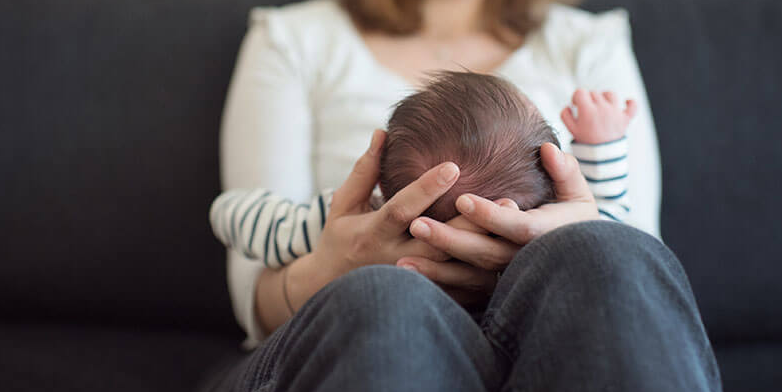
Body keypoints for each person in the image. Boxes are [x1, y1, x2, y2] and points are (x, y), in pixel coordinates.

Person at [194, 0, 722, 392]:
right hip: (342, 340)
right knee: (387, 297)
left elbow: (636, 272)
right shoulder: (293, 40)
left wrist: (561, 238)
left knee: (608, 254)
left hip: (547, 349)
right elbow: (252, 294)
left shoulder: (589, 45)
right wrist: (337, 263)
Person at [209, 72, 637, 269]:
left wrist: (237, 209)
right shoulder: (552, 234)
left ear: (381, 181)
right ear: (552, 183)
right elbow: (610, 222)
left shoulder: (356, 222)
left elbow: (234, 216)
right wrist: (600, 146)